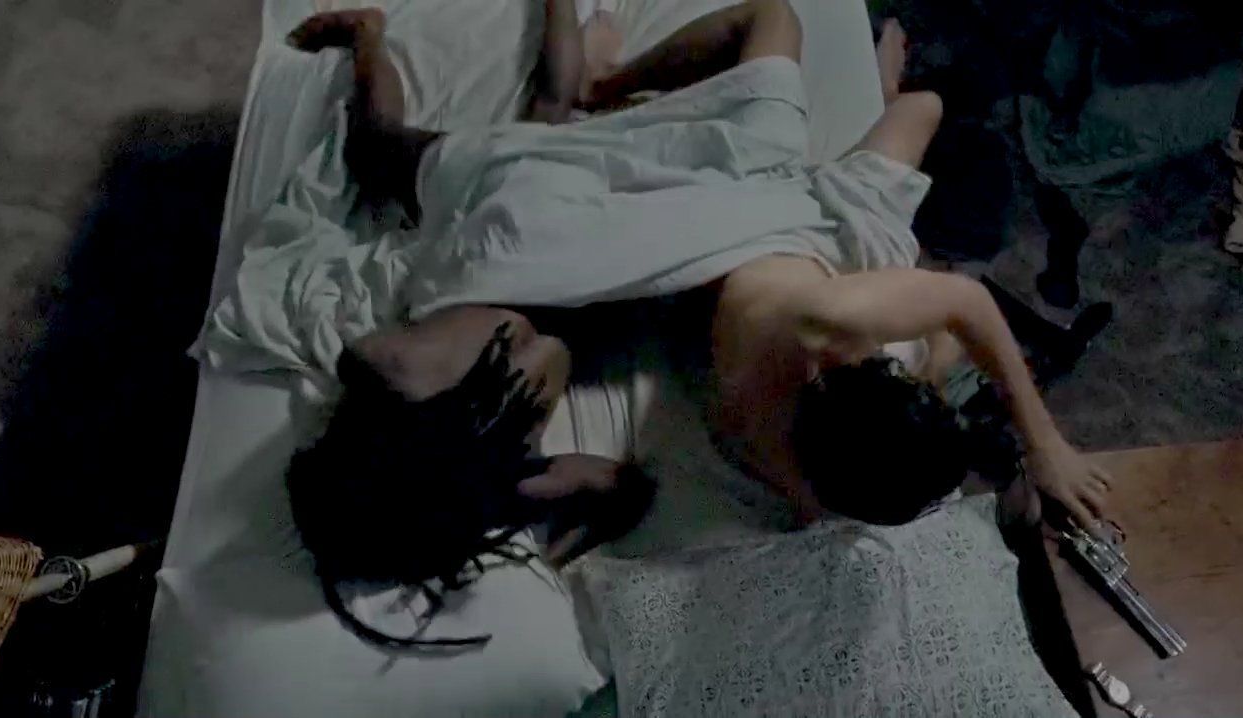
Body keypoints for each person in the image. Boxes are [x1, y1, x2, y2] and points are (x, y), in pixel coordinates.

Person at [285, 0, 1110, 605]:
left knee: (494, 127)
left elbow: (606, 480)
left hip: (529, 231)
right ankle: (459, 53)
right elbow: (613, 483)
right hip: (546, 231)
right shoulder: (469, 437)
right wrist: (560, 510)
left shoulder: (408, 381)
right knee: (498, 128)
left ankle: (392, 38)